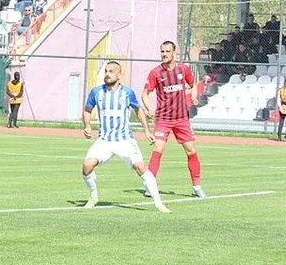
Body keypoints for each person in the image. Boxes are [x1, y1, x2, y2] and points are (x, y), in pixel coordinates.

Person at [82, 61, 170, 213]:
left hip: (124, 140)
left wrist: (147, 131)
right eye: (106, 71)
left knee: (140, 167)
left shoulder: (127, 92)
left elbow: (138, 110)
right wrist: (87, 126)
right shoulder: (96, 92)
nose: (107, 74)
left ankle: (158, 203)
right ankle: (94, 196)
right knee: (87, 166)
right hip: (104, 140)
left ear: (119, 75)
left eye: (111, 71)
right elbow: (87, 109)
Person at [142, 41, 206, 198]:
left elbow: (193, 85)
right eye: (162, 51)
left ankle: (197, 187)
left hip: (182, 118)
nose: (164, 54)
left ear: (174, 52)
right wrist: (149, 107)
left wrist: (194, 96)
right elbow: (145, 93)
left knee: (191, 150)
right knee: (158, 149)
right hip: (163, 118)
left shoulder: (183, 69)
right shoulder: (156, 73)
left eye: (167, 51)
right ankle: (150, 186)